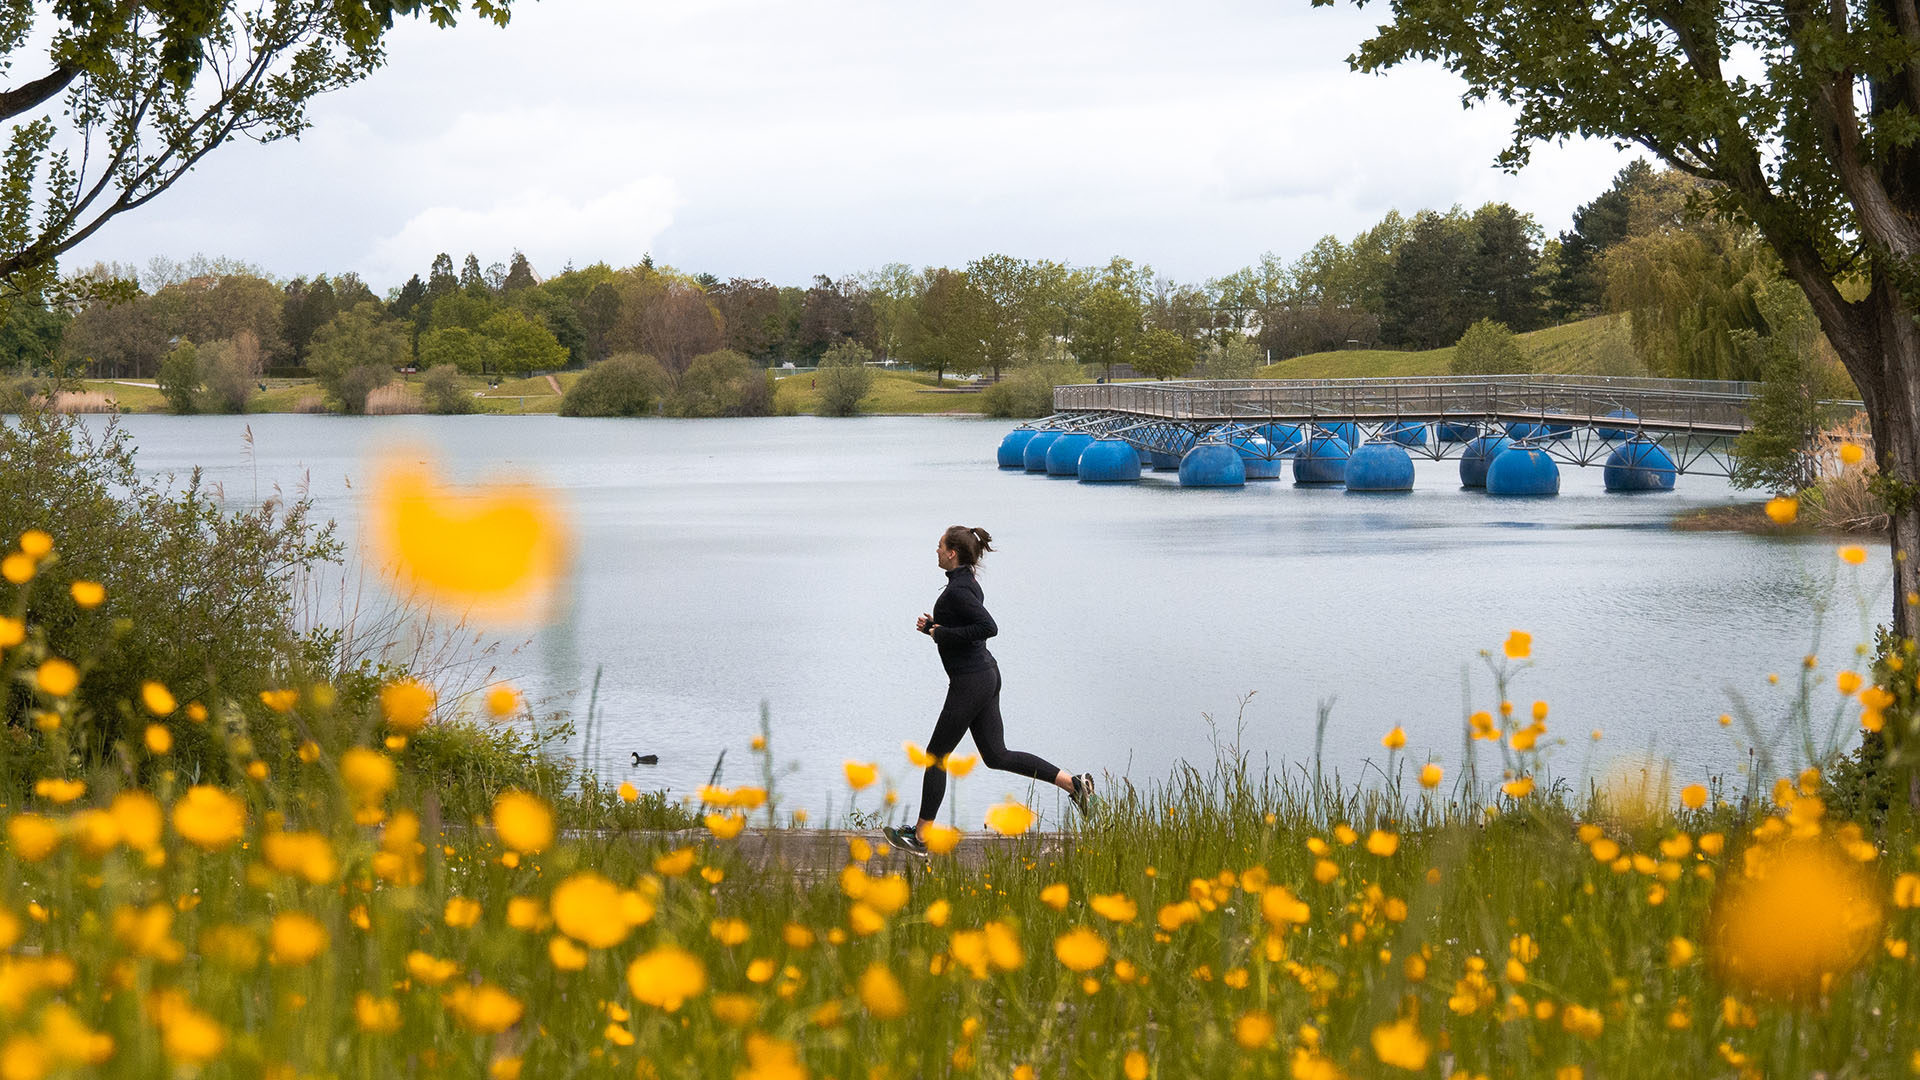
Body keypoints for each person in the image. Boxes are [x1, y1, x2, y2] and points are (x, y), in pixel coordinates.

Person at [884, 526, 1092, 858]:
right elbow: (963, 630)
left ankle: (921, 838)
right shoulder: (965, 583)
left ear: (952, 552)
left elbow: (987, 627)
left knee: (936, 756)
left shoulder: (958, 591)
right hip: (984, 675)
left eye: (939, 546)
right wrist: (936, 630)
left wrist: (941, 633)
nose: (935, 551)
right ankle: (1074, 784)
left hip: (971, 681)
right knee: (996, 755)